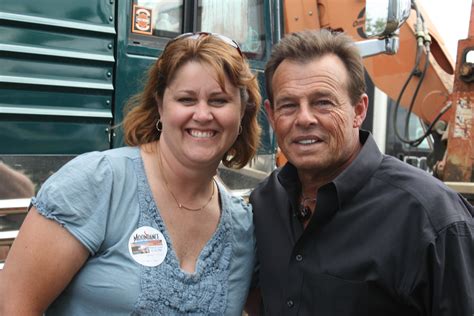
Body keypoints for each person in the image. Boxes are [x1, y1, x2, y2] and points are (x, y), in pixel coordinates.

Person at [0, 32, 261, 315]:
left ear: (242, 113)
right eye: (186, 99)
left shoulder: (242, 227)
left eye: (219, 100)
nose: (202, 114)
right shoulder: (99, 182)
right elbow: (13, 307)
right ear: (161, 106)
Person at [249, 29, 474, 315]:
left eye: (323, 102)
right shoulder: (265, 203)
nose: (304, 118)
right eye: (289, 105)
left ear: (359, 109)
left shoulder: (431, 219)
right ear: (271, 115)